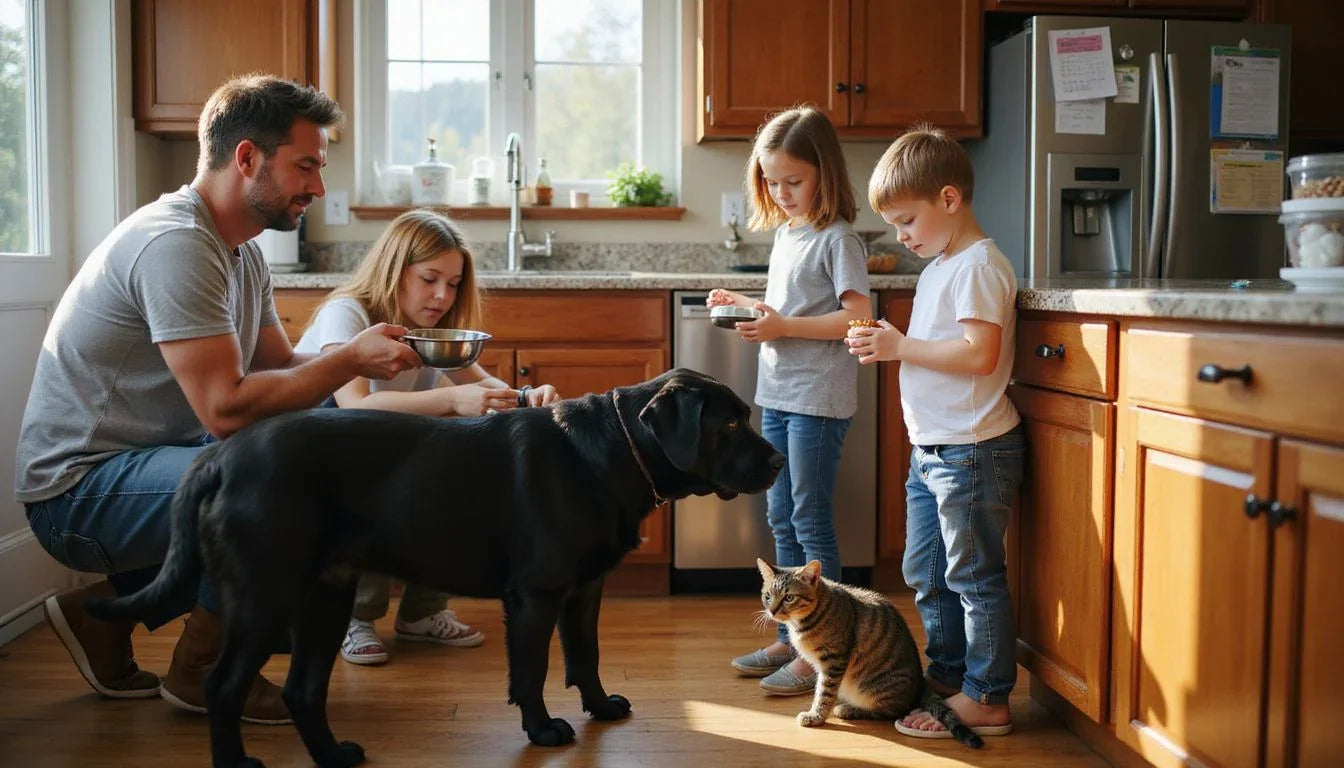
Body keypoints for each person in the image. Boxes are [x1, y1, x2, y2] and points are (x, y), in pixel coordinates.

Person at [14, 75, 423, 724]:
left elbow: (282, 371)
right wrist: (347, 358)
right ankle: (203, 669)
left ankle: (104, 617)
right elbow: (225, 409)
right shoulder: (176, 243)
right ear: (247, 159)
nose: (318, 186)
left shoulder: (240, 252)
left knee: (322, 428)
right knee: (271, 482)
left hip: (150, 465)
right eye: (307, 165)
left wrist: (365, 355)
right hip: (78, 491)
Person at [294, 209, 562, 666]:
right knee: (378, 479)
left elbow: (485, 387)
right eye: (429, 278)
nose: (442, 295)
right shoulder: (349, 313)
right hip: (319, 454)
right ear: (395, 270)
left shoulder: (435, 333)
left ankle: (421, 613)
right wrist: (452, 402)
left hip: (386, 445)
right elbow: (354, 408)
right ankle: (353, 617)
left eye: (453, 283)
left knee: (460, 469)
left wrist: (526, 396)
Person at [844, 124, 1025, 739]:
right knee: (926, 570)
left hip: (973, 450)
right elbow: (932, 349)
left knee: (973, 577)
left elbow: (978, 355)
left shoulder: (978, 266)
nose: (900, 236)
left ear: (949, 200)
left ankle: (988, 695)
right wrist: (888, 345)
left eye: (906, 221)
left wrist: (899, 347)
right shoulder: (941, 266)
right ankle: (949, 673)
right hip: (936, 450)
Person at [714, 106, 872, 696]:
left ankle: (820, 648)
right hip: (777, 394)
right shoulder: (787, 233)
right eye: (772, 182)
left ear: (825, 174)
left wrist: (782, 328)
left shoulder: (840, 239)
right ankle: (791, 634)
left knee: (809, 515)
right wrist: (752, 307)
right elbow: (795, 310)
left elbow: (858, 316)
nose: (781, 193)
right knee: (779, 514)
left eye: (793, 181)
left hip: (818, 400)